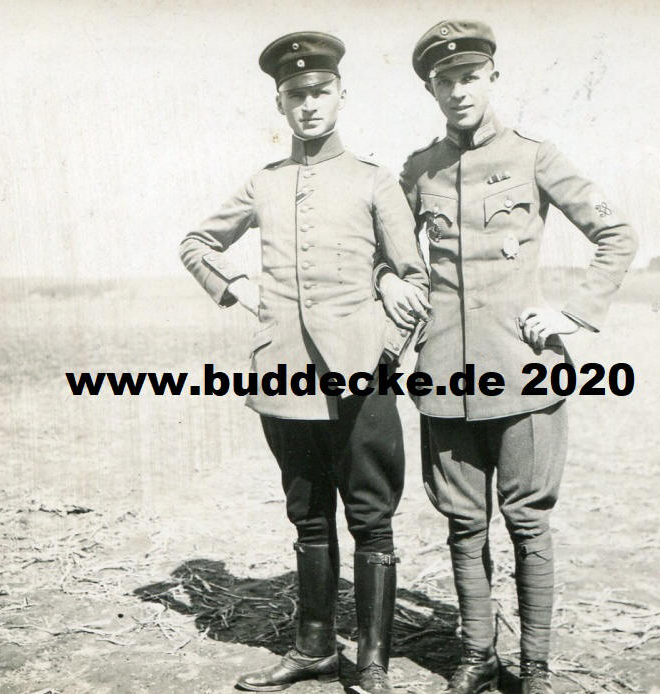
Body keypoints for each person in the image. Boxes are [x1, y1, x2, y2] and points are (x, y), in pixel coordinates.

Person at [376, 20, 638, 694]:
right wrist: (386, 279)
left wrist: (572, 315)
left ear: (492, 77)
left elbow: (615, 233)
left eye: (470, 76)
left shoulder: (535, 156)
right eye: (445, 80)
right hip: (444, 376)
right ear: (430, 89)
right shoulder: (419, 170)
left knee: (527, 523)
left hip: (522, 371)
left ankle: (535, 667)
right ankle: (477, 656)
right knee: (464, 524)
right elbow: (386, 250)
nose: (459, 90)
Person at [179, 31, 429, 694]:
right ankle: (314, 647)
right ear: (280, 104)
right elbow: (197, 243)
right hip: (284, 377)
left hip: (361, 376)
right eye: (296, 95)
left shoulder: (374, 180)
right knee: (308, 515)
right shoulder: (263, 183)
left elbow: (415, 281)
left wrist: (383, 351)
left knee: (371, 518)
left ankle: (371, 662)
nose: (309, 104)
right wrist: (236, 288)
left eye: (320, 91)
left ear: (341, 94)